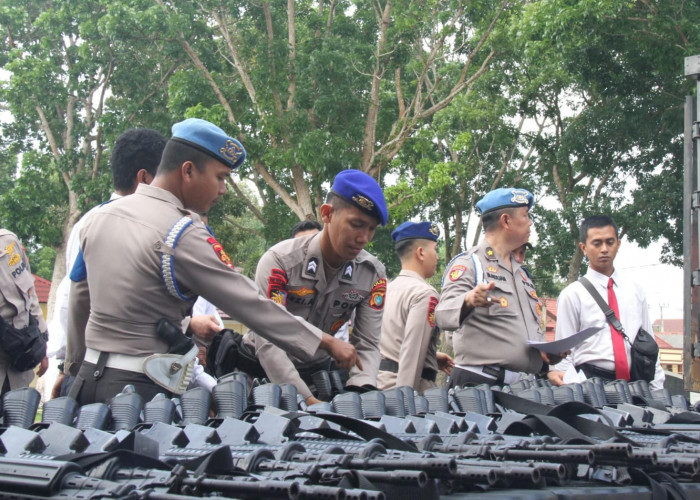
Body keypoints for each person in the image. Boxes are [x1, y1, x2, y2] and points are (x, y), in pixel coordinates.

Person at [65, 118, 358, 405]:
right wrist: (326, 342)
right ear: (188, 171)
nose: (223, 189)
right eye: (220, 177)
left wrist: (73, 368)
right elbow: (248, 303)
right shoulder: (181, 232)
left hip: (88, 381)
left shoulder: (99, 217)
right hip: (139, 393)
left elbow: (80, 297)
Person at [49, 128, 222, 398]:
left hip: (90, 368)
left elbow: (72, 298)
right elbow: (80, 297)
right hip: (139, 375)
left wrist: (70, 365)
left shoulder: (93, 218)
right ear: (144, 177)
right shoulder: (163, 224)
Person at [243, 169, 388, 405]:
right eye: (356, 224)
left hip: (318, 378)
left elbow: (368, 343)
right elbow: (268, 341)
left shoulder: (372, 274)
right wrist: (307, 401)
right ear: (327, 214)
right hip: (263, 378)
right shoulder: (280, 262)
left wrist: (359, 393)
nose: (364, 238)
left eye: (371, 229)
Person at [435, 188, 562, 387]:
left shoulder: (522, 274)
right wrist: (468, 301)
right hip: (480, 386)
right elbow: (442, 315)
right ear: (506, 221)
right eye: (525, 215)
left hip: (523, 386)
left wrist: (546, 358)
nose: (530, 222)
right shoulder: (470, 263)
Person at [547, 215, 665, 390]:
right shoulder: (572, 294)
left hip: (635, 385)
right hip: (591, 384)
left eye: (610, 242)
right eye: (597, 243)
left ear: (618, 244)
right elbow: (565, 353)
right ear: (583, 248)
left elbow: (649, 344)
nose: (604, 249)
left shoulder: (635, 290)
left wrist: (656, 388)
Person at [377, 221, 454, 392]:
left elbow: (393, 343)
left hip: (379, 387)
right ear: (421, 252)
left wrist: (431, 358)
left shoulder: (386, 290)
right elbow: (412, 355)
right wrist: (405, 402)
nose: (438, 256)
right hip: (407, 391)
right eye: (435, 249)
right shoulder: (425, 294)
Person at [0, 229, 49, 395]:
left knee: (17, 418)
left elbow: (30, 294)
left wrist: (42, 344)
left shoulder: (7, 242)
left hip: (17, 368)